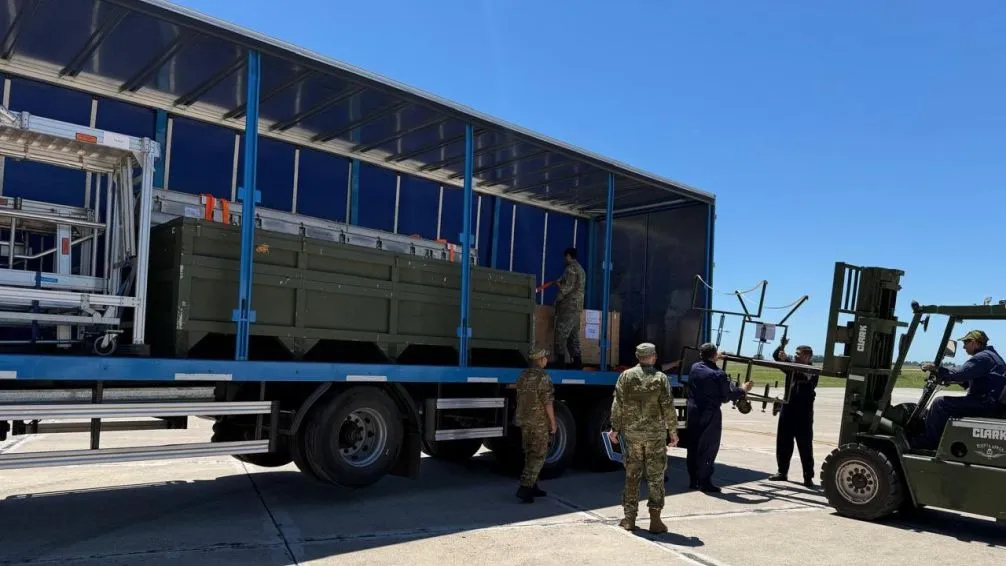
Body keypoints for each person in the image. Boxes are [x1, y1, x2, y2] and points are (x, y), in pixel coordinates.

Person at [607, 342, 677, 534]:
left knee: (632, 476)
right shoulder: (660, 378)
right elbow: (668, 406)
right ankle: (655, 521)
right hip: (655, 436)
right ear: (653, 356)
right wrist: (673, 431)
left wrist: (615, 429)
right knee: (655, 477)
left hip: (633, 435)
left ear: (638, 357)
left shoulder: (626, 376)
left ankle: (629, 519)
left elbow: (617, 404)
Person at [917, 330, 1006, 449]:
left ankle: (930, 442)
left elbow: (961, 373)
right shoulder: (990, 355)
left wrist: (938, 369)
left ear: (974, 342)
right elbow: (972, 379)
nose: (964, 346)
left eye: (966, 342)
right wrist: (952, 379)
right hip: (989, 402)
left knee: (939, 404)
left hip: (984, 404)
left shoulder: (982, 357)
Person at [685, 342, 753, 492]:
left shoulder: (695, 367)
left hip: (694, 409)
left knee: (694, 445)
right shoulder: (718, 374)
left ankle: (694, 480)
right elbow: (727, 396)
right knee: (708, 446)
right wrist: (743, 389)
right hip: (709, 412)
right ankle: (705, 481)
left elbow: (707, 364)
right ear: (714, 355)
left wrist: (714, 358)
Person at [767, 341, 818, 488]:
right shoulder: (791, 367)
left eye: (798, 354)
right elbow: (776, 356)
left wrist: (787, 360)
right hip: (787, 409)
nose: (795, 356)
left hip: (803, 414)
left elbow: (803, 375)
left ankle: (808, 476)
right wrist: (781, 347)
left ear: (808, 357)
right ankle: (782, 472)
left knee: (805, 445)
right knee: (783, 442)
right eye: (794, 354)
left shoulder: (813, 370)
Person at [513, 348, 557, 502]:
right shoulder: (543, 377)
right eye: (545, 357)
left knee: (529, 453)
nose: (547, 360)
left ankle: (533, 486)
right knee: (538, 454)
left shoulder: (523, 375)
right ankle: (525, 488)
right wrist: (553, 422)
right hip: (538, 422)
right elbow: (548, 401)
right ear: (540, 359)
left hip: (524, 420)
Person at [552, 247, 585, 369]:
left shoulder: (571, 269)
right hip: (577, 308)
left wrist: (557, 298)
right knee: (573, 336)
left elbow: (567, 287)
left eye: (565, 257)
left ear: (568, 256)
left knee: (561, 333)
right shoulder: (581, 269)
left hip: (568, 307)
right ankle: (577, 363)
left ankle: (560, 362)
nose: (564, 259)